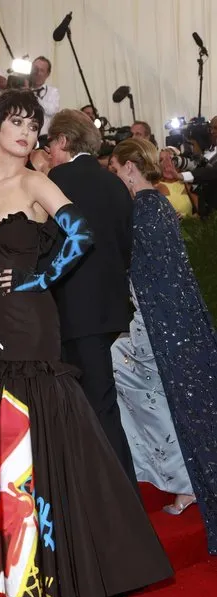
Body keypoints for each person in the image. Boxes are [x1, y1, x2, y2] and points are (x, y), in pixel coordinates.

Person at [0, 89, 172, 597]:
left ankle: (46, 558)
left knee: (35, 424)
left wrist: (39, 276)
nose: (26, 132)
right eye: (16, 122)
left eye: (33, 124)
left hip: (30, 321)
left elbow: (81, 234)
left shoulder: (37, 182)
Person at [109, 138, 217, 552]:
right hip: (163, 320)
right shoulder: (159, 204)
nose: (116, 178)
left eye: (117, 170)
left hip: (158, 324)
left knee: (167, 396)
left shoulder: (144, 208)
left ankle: (182, 480)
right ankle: (178, 478)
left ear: (131, 168)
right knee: (166, 398)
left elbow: (152, 274)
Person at [45, 109, 137, 490]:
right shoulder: (113, 182)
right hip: (109, 310)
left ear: (64, 141)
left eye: (49, 143)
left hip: (73, 310)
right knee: (98, 399)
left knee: (93, 404)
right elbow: (126, 246)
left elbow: (50, 245)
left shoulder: (57, 180)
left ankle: (116, 493)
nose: (48, 151)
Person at [156, 147, 195, 218]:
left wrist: (186, 219)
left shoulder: (188, 183)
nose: (165, 162)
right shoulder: (154, 186)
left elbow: (202, 214)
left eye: (170, 158)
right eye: (161, 160)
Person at [30, 56, 59, 137]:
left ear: (48, 74)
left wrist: (32, 95)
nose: (37, 73)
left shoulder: (53, 91)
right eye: (35, 69)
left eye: (42, 70)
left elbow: (52, 110)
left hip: (44, 137)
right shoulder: (22, 90)